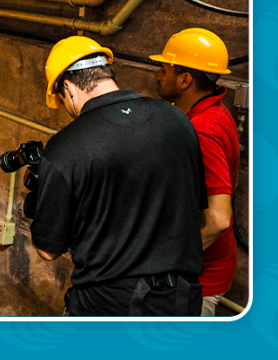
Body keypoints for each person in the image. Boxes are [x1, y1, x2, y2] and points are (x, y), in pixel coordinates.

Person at [29, 36, 207, 316]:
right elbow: (196, 214)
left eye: (63, 99)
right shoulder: (178, 121)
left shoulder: (65, 147)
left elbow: (48, 250)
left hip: (107, 306)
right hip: (180, 301)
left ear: (69, 88)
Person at [151, 28, 240, 316]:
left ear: (185, 79)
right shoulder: (215, 112)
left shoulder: (202, 130)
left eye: (164, 69)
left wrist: (162, 260)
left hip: (196, 280)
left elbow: (218, 218)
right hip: (202, 272)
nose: (157, 74)